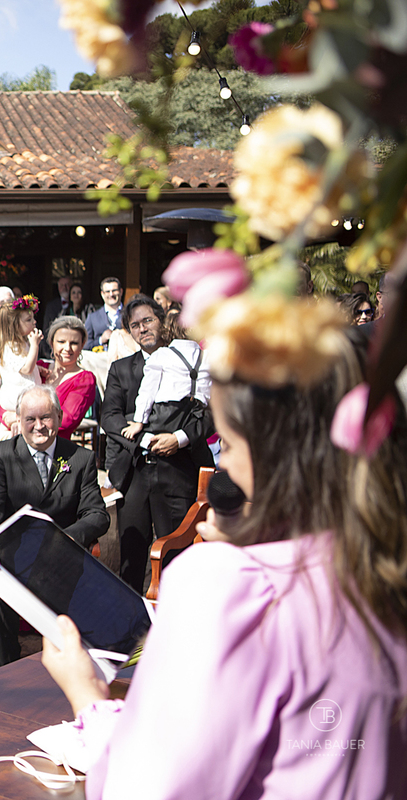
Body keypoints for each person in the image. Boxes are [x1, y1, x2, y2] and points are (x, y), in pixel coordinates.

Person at [41, 294, 407, 799]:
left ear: (279, 453)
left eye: (229, 446)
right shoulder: (386, 566)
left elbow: (150, 788)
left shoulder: (229, 585)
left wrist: (88, 697)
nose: (225, 471)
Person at [0, 385, 109, 665]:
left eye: (45, 418)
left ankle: (71, 671)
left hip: (62, 559)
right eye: (30, 419)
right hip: (14, 558)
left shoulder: (80, 458)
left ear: (59, 418)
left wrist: (64, 539)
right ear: (18, 420)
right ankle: (6, 670)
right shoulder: (1, 455)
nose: (39, 426)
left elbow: (97, 515)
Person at [101, 295, 214, 593]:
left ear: (163, 322)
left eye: (148, 320)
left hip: (181, 468)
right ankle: (130, 632)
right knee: (132, 556)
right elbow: (110, 418)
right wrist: (146, 439)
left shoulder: (197, 361)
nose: (142, 329)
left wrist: (179, 439)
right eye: (135, 325)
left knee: (178, 553)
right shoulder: (121, 369)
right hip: (136, 470)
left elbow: (212, 413)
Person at [120, 323, 210, 444]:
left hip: (167, 414)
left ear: (168, 332)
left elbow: (148, 390)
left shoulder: (161, 354)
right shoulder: (207, 357)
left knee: (129, 432)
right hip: (196, 416)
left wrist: (139, 421)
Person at [0, 295, 43, 434]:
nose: (34, 322)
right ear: (14, 324)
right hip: (17, 403)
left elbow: (27, 366)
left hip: (27, 402)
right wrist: (34, 346)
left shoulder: (23, 343)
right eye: (28, 319)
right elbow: (26, 369)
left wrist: (39, 369)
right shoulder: (10, 347)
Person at [47, 316, 96, 439]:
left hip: (56, 448)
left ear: (82, 345)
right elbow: (1, 398)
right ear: (51, 342)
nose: (67, 348)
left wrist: (23, 420)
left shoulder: (84, 379)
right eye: (61, 342)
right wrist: (8, 416)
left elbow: (67, 420)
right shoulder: (38, 367)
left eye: (74, 343)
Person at [84, 277, 124, 347]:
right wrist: (100, 340)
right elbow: (84, 344)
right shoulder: (92, 317)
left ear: (121, 291)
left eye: (114, 290)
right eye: (107, 291)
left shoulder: (130, 314)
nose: (111, 294)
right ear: (102, 294)